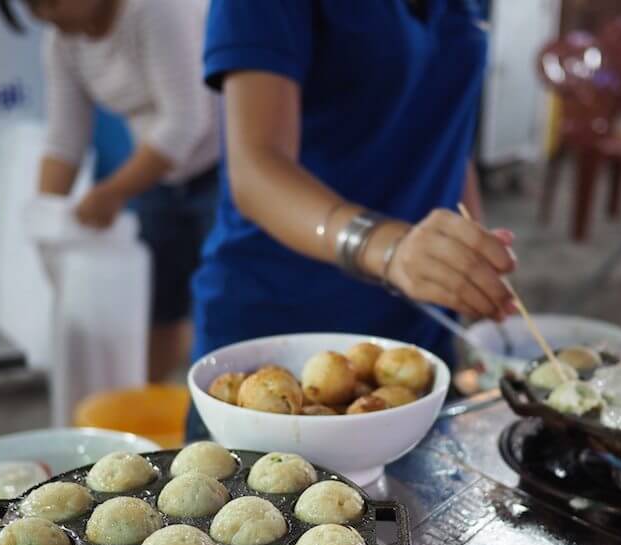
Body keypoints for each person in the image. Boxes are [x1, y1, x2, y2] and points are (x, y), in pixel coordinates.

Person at [193, 0, 518, 374]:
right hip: (283, 335)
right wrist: (387, 248)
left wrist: (474, 272)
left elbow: (447, 136)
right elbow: (256, 169)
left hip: (416, 335)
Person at [23, 0, 219, 381]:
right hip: (157, 176)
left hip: (223, 170)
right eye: (31, 4)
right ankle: (152, 420)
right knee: (157, 309)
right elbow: (64, 140)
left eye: (50, 0)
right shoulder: (61, 41)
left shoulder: (157, 10)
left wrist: (112, 192)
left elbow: (187, 121)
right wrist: (47, 222)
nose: (44, 13)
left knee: (222, 306)